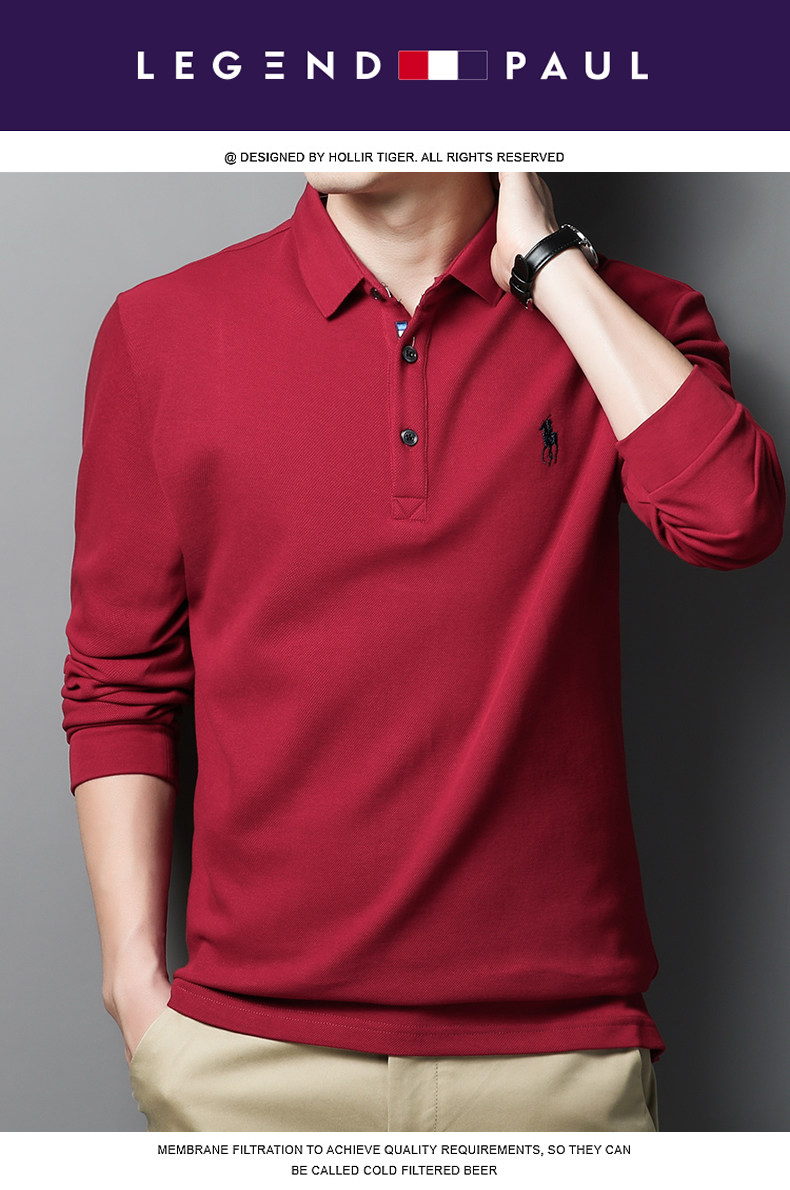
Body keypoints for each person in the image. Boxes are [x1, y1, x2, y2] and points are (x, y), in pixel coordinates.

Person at [62, 172, 784, 1133]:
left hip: (556, 1058)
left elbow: (731, 520)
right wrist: (132, 981)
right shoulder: (163, 329)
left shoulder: (624, 318)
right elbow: (119, 680)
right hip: (246, 1057)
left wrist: (549, 268)